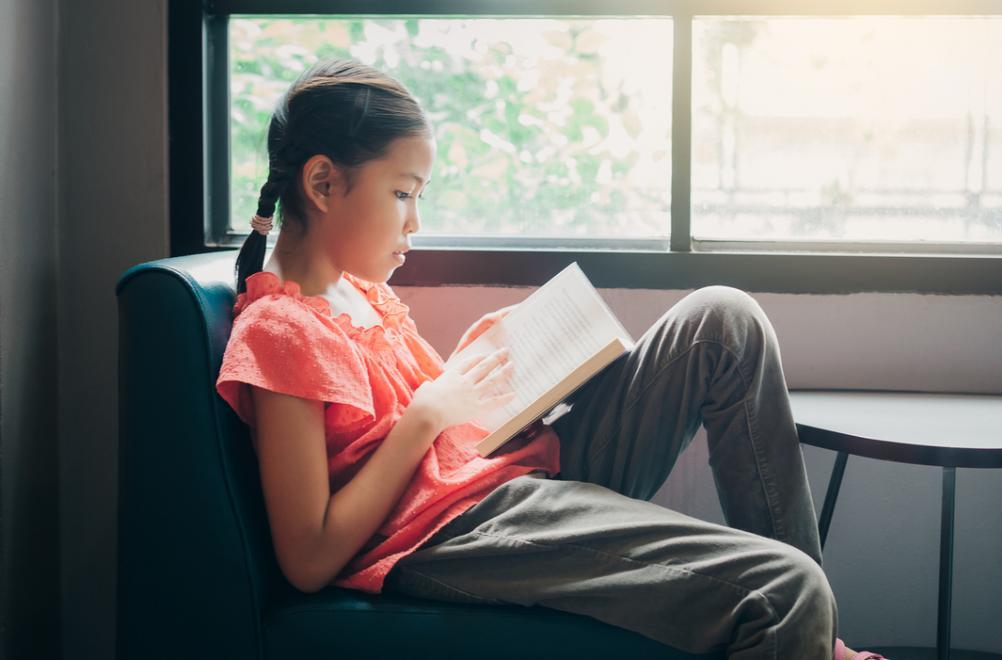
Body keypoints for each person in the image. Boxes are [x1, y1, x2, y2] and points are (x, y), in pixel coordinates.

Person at [214, 56, 887, 660]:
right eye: (402, 193)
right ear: (324, 184)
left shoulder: (362, 295)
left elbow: (430, 414)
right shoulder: (280, 330)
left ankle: (815, 643)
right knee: (784, 589)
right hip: (458, 529)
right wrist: (425, 418)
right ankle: (811, 635)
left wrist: (492, 364)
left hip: (504, 471)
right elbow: (307, 557)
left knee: (723, 322)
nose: (415, 222)